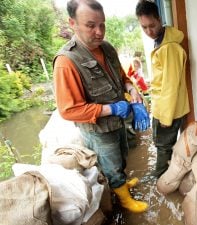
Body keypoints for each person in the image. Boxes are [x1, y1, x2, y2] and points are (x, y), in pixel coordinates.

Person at [53, 0, 150, 213]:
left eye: (102, 24)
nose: (99, 32)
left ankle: (121, 183)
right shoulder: (66, 62)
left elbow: (123, 77)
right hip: (98, 131)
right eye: (90, 25)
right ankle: (124, 199)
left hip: (118, 123)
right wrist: (111, 109)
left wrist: (132, 90)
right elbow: (68, 110)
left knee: (123, 155)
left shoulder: (106, 48)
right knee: (111, 166)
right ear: (72, 23)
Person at [135, 0, 190, 178]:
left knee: (163, 146)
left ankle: (161, 179)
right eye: (144, 27)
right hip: (164, 106)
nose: (149, 31)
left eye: (152, 25)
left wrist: (166, 115)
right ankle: (166, 174)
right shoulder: (161, 41)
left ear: (160, 19)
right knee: (162, 144)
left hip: (169, 110)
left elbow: (171, 84)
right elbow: (164, 77)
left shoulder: (169, 47)